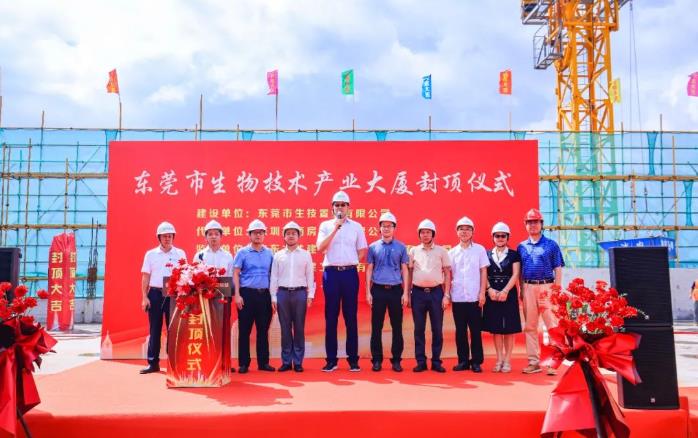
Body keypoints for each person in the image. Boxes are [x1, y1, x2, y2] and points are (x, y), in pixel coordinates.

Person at [316, 190, 368, 372]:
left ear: (348, 207)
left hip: (349, 274)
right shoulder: (325, 226)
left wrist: (350, 262)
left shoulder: (356, 227)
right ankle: (331, 360)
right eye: (337, 205)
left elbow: (362, 250)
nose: (340, 208)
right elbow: (320, 247)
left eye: (343, 205)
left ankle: (353, 359)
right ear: (332, 208)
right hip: (331, 274)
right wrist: (335, 229)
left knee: (350, 316)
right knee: (331, 317)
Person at [517, 208, 564, 375]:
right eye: (529, 222)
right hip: (528, 287)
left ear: (541, 224)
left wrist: (556, 289)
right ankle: (533, 362)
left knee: (552, 326)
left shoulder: (551, 245)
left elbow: (558, 268)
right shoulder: (521, 247)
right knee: (530, 327)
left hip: (547, 287)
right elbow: (520, 271)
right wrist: (521, 290)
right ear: (525, 225)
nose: (533, 225)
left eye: (536, 222)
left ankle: (553, 363)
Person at [139, 221, 187, 374]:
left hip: (173, 295)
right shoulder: (151, 254)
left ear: (173, 237)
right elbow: (145, 276)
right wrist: (144, 297)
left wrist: (182, 295)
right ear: (159, 237)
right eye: (164, 236)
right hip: (155, 294)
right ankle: (153, 363)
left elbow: (185, 275)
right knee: (155, 329)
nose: (167, 239)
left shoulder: (180, 254)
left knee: (173, 329)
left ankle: (173, 362)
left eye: (170, 236)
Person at [366, 212, 409, 372]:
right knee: (376, 327)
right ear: (379, 228)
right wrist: (368, 291)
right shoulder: (373, 247)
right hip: (378, 290)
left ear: (394, 228)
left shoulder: (401, 247)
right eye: (383, 226)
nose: (386, 228)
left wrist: (405, 292)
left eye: (389, 226)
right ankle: (377, 360)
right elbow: (369, 269)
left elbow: (405, 270)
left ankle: (396, 360)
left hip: (396, 290)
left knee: (397, 327)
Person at [270, 221, 315, 372]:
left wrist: (310, 294)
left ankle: (298, 361)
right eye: (288, 233)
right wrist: (273, 297)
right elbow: (274, 277)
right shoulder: (278, 255)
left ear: (298, 236)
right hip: (282, 293)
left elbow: (310, 275)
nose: (291, 236)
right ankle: (286, 361)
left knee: (299, 327)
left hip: (300, 293)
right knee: (285, 328)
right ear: (284, 236)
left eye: (294, 233)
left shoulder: (305, 254)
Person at [409, 219, 451, 373]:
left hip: (436, 293)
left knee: (437, 329)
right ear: (419, 235)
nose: (425, 235)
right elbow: (409, 273)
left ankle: (436, 361)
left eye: (428, 232)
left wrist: (446, 295)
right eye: (422, 232)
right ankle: (420, 361)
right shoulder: (413, 251)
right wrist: (408, 293)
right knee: (418, 329)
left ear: (433, 234)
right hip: (418, 293)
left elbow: (447, 273)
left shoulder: (441, 251)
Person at [193, 219, 236, 372]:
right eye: (210, 234)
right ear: (205, 237)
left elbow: (231, 278)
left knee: (224, 330)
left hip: (223, 298)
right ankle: (207, 362)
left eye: (216, 234)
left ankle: (224, 362)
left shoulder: (228, 256)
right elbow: (194, 277)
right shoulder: (199, 255)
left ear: (221, 236)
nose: (213, 237)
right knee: (206, 329)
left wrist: (230, 295)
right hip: (205, 299)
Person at [233, 219, 275, 374]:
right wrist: (237, 295)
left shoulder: (269, 253)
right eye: (255, 233)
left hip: (264, 295)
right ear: (249, 235)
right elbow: (236, 273)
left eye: (261, 233)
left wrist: (273, 297)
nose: (258, 235)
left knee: (263, 330)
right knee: (244, 331)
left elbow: (273, 275)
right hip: (247, 295)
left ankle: (263, 363)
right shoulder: (242, 252)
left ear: (264, 234)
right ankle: (244, 363)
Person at [448, 216, 490, 373]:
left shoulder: (479, 250)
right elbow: (448, 274)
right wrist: (448, 294)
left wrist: (482, 293)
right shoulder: (452, 252)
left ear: (472, 232)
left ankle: (476, 362)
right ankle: (463, 361)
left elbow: (483, 271)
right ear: (457, 232)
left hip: (474, 297)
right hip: (458, 297)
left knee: (475, 331)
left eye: (467, 229)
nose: (464, 232)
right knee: (460, 331)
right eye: (461, 229)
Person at [482, 222, 522, 373]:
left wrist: (505, 291)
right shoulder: (487, 254)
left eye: (503, 236)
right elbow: (484, 274)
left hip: (508, 293)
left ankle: (507, 360)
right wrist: (489, 289)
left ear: (507, 237)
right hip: (492, 293)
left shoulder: (514, 254)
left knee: (509, 328)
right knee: (496, 328)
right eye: (497, 236)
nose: (500, 238)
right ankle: (499, 359)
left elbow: (516, 274)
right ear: (493, 237)